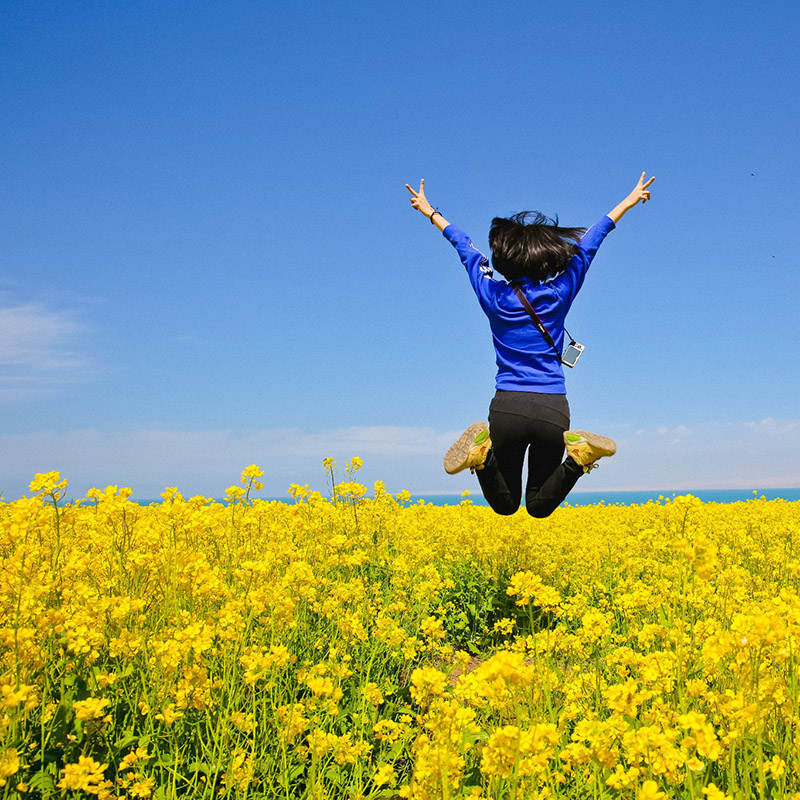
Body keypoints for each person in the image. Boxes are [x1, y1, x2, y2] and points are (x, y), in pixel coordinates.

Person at [405, 173, 655, 517]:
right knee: (537, 506)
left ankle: (481, 455)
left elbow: (465, 248)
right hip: (552, 407)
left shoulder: (493, 295)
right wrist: (627, 201)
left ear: (504, 257)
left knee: (505, 505)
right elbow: (589, 245)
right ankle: (580, 457)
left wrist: (430, 211)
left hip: (508, 406)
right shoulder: (558, 294)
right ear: (546, 257)